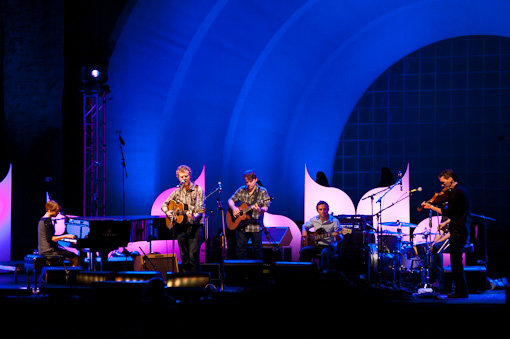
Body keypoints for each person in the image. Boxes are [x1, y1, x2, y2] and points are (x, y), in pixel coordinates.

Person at [422, 169, 471, 298]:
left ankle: (461, 292)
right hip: (460, 230)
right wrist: (445, 223)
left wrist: (431, 207)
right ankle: (461, 291)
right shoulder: (461, 191)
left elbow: (448, 212)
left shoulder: (457, 192)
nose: (442, 186)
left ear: (450, 179)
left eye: (443, 183)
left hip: (459, 231)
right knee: (456, 263)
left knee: (456, 264)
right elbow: (458, 213)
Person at [161, 165, 205, 272]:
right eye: (181, 177)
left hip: (195, 227)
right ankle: (186, 282)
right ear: (178, 178)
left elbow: (200, 208)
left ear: (190, 176)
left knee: (193, 256)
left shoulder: (198, 190)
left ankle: (196, 283)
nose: (184, 179)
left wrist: (194, 216)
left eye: (186, 176)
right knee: (184, 257)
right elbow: (164, 205)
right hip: (181, 227)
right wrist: (168, 212)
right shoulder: (177, 192)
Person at [228, 170, 270, 260]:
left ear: (256, 179)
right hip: (242, 226)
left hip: (256, 226)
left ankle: (257, 273)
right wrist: (234, 208)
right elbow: (230, 200)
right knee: (240, 251)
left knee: (257, 251)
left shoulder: (263, 191)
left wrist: (260, 209)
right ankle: (242, 273)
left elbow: (265, 208)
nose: (249, 184)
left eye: (251, 181)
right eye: (247, 182)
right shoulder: (242, 190)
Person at [300, 201, 343, 271]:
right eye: (320, 209)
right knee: (303, 251)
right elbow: (304, 225)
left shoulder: (335, 221)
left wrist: (337, 236)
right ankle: (305, 273)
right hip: (316, 245)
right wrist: (304, 231)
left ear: (328, 209)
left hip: (330, 246)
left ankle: (324, 274)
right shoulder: (314, 219)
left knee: (325, 252)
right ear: (317, 211)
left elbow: (340, 238)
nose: (323, 211)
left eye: (324, 209)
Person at [38, 200, 79, 266]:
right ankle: (71, 275)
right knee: (75, 257)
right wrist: (66, 236)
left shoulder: (43, 220)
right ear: (49, 210)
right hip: (48, 251)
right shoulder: (47, 222)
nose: (58, 213)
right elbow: (51, 238)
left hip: (45, 249)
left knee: (68, 252)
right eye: (56, 211)